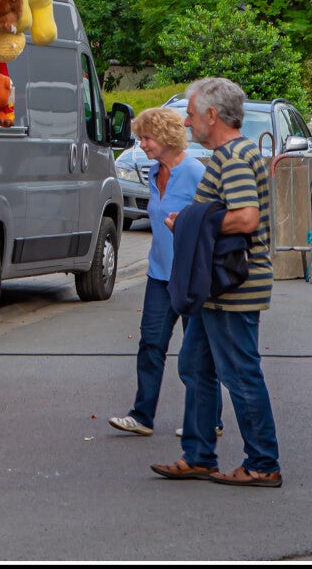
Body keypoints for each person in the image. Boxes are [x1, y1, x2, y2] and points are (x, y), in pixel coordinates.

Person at [152, 77, 283, 488]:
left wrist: (190, 222)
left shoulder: (234, 157)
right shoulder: (233, 154)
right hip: (219, 287)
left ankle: (262, 462)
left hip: (232, 288)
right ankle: (199, 456)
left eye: (191, 114)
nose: (186, 122)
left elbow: (245, 217)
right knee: (195, 365)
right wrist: (193, 221)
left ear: (212, 115)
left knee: (240, 375)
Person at [108, 107, 211, 437]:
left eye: (147, 138)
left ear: (166, 138)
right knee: (151, 344)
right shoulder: (153, 173)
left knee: (195, 353)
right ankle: (142, 416)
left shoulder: (195, 172)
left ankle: (209, 419)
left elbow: (213, 220)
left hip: (192, 276)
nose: (142, 144)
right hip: (159, 274)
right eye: (140, 138)